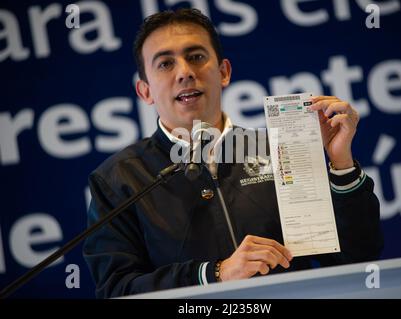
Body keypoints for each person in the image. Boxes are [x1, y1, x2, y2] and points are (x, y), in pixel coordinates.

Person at [83, 8, 383, 298]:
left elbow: (357, 258)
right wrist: (214, 274)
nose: (185, 72)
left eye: (196, 57)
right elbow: (117, 291)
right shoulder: (119, 179)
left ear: (223, 72)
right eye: (165, 64)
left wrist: (341, 163)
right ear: (145, 91)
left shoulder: (282, 151)